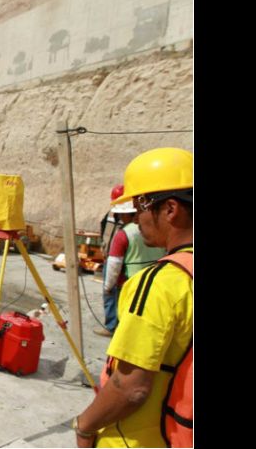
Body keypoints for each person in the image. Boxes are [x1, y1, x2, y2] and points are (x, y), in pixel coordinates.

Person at [73, 147, 193, 448]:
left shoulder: (160, 284)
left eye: (140, 206)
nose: (137, 218)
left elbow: (131, 388)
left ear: (170, 209)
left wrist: (84, 427)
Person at [94, 184, 166, 337]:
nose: (120, 217)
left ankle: (114, 327)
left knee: (120, 304)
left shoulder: (125, 233)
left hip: (127, 278)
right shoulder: (158, 230)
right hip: (153, 276)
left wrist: (108, 285)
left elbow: (115, 263)